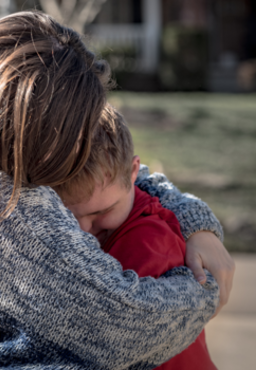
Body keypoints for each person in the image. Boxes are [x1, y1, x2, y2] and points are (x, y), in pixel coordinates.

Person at [0, 11, 234, 370]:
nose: (88, 141)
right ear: (35, 132)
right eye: (79, 132)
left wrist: (196, 223)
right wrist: (205, 285)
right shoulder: (10, 213)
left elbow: (128, 174)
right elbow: (130, 327)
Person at [55, 104, 217, 369]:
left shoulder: (150, 243)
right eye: (70, 215)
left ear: (134, 173)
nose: (84, 230)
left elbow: (103, 339)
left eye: (102, 212)